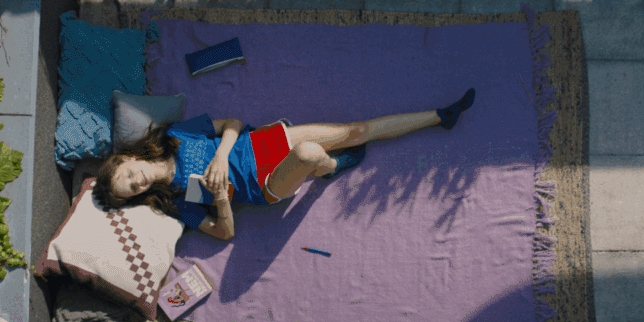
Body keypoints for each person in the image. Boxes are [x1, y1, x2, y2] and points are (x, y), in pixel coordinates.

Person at [93, 88, 476, 241]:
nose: (138, 182)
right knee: (308, 153)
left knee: (356, 131)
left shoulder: (176, 134)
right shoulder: (176, 201)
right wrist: (221, 198)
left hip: (260, 143)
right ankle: (328, 167)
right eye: (133, 189)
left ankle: (440, 116)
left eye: (128, 175)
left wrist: (222, 155)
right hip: (264, 184)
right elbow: (224, 233)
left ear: (127, 158)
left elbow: (232, 124)